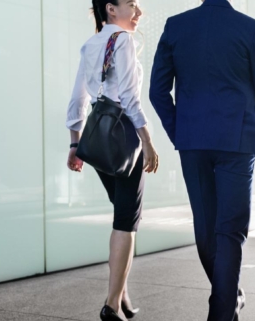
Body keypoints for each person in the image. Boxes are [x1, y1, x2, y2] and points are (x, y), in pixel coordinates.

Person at [148, 0, 255, 320]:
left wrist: (179, 132)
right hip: (237, 140)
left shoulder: (175, 26)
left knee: (206, 228)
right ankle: (223, 306)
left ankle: (225, 301)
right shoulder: (250, 29)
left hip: (193, 141)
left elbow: (158, 92)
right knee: (230, 230)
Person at [65, 1, 159, 320]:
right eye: (131, 5)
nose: (138, 12)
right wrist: (148, 142)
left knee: (122, 217)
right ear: (111, 8)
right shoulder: (123, 40)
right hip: (124, 140)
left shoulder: (92, 44)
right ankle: (112, 305)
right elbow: (130, 98)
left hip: (97, 139)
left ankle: (121, 294)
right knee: (126, 223)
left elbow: (78, 98)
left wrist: (75, 144)